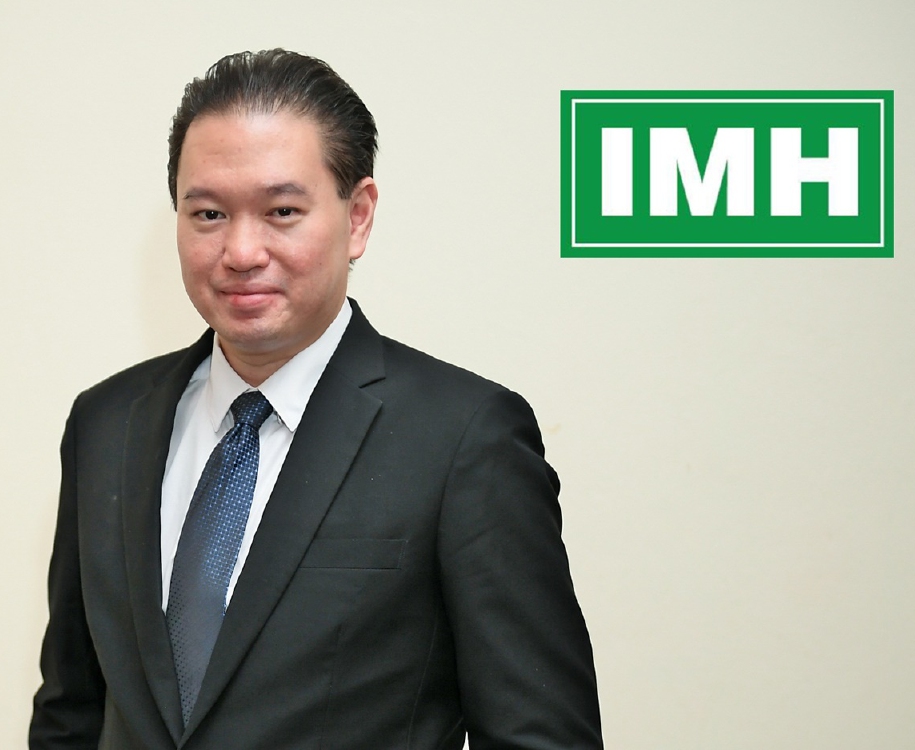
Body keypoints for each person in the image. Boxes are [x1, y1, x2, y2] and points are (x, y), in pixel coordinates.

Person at [30, 49, 603, 749]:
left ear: (357, 217)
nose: (242, 251)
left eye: (282, 211)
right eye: (208, 213)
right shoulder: (106, 424)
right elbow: (71, 713)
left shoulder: (463, 438)